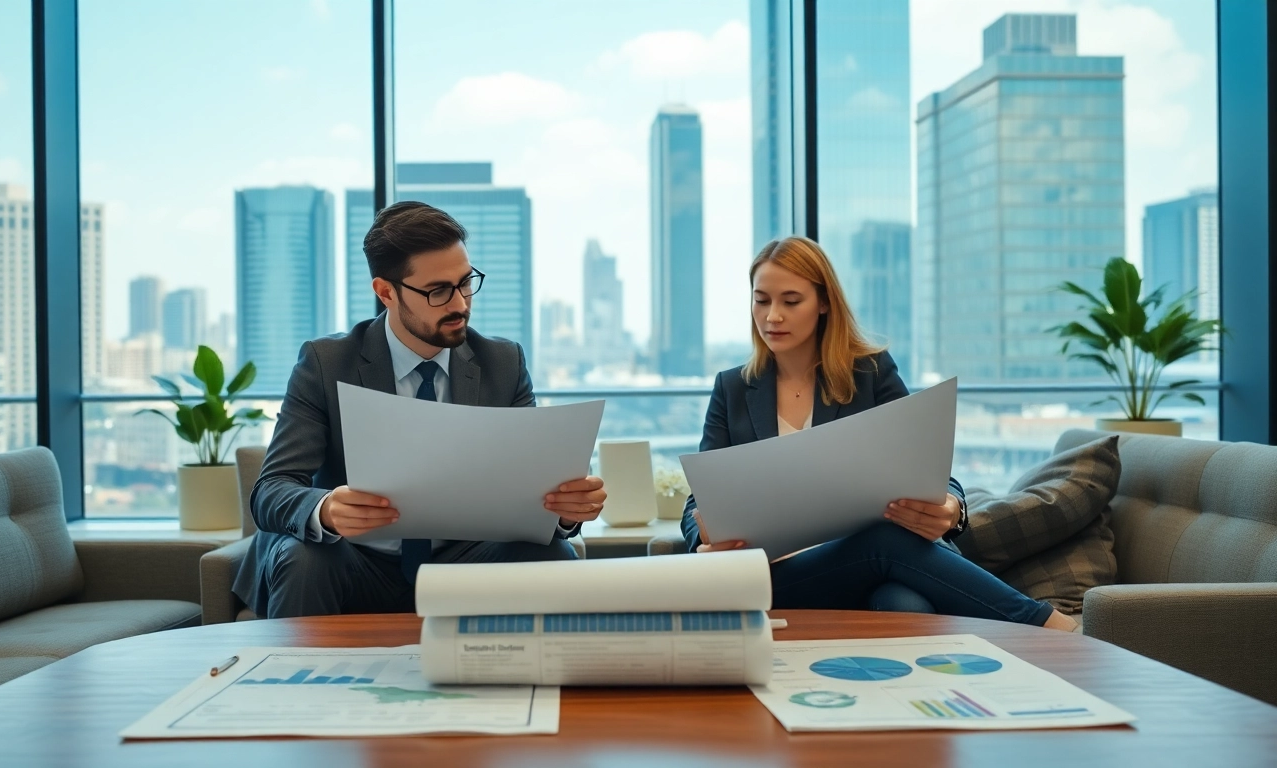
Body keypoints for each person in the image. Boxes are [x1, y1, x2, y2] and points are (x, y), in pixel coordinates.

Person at [681, 235, 1078, 631]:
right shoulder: (732, 388)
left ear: (823, 303)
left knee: (904, 602)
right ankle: (1049, 627)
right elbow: (698, 499)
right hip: (776, 575)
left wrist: (952, 509)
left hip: (875, 568)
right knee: (884, 541)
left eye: (790, 300)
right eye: (761, 299)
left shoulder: (871, 374)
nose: (772, 316)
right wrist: (702, 539)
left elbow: (927, 471)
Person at [233, 201, 607, 618]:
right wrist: (327, 510)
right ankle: (293, 679)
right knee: (306, 558)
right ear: (386, 292)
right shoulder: (326, 362)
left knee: (553, 554)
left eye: (466, 282)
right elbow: (271, 490)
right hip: (354, 560)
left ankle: (556, 681)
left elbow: (532, 491)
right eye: (438, 291)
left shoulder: (503, 363)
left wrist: (566, 513)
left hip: (463, 563)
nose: (460, 303)